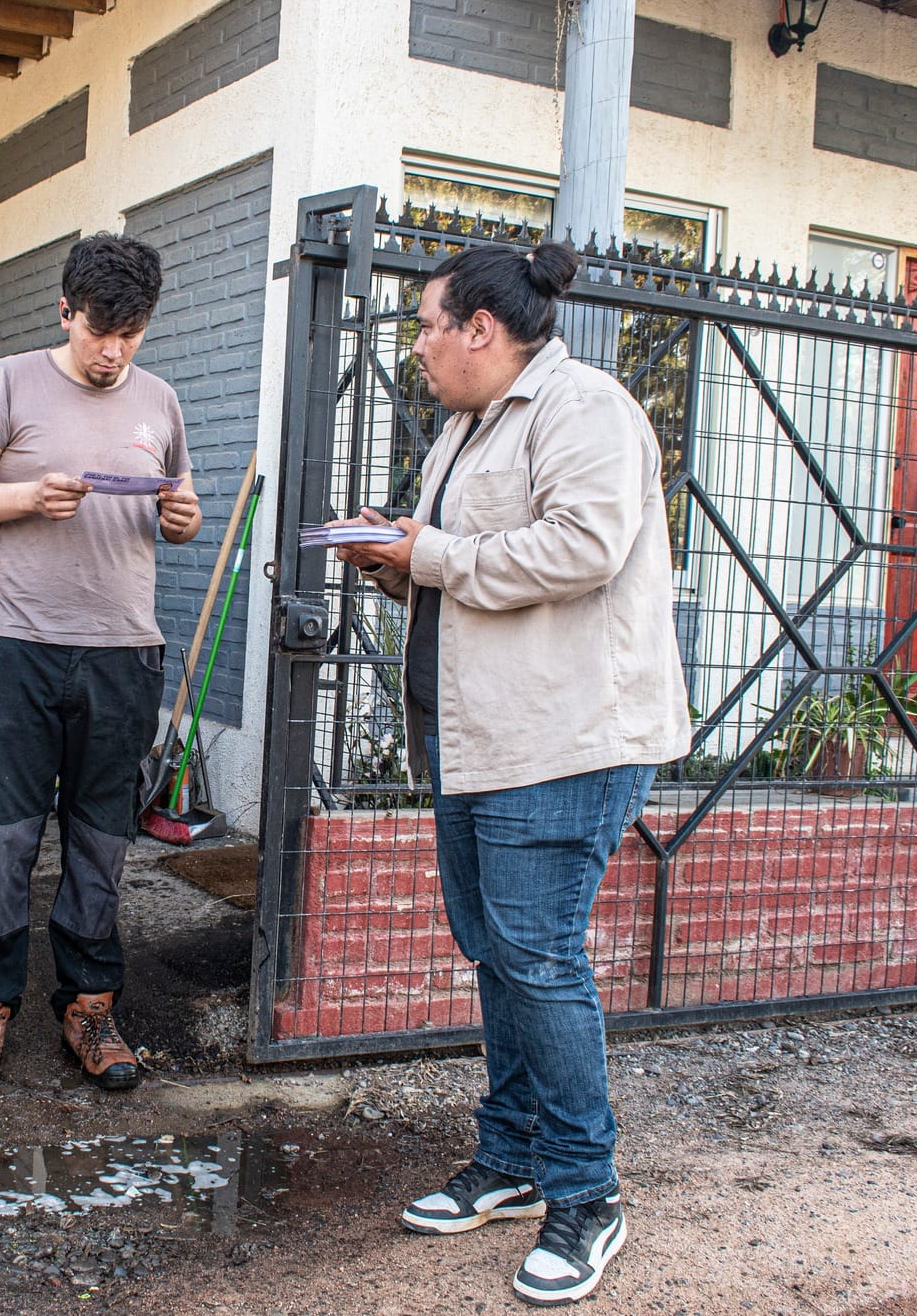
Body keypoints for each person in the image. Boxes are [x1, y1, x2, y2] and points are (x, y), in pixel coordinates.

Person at [336, 241, 690, 1306]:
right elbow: (466, 573)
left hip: (566, 737)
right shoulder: (464, 428)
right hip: (477, 734)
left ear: (478, 329)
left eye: (426, 328)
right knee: (495, 949)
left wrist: (429, 555)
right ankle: (515, 1152)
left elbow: (579, 548)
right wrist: (397, 563)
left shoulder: (583, 410)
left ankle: (587, 1193)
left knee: (536, 956)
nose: (420, 350)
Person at [0, 233, 202, 1098]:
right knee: (2, 843)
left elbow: (174, 508)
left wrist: (185, 517)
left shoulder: (160, 399)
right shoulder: (9, 381)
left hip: (123, 653)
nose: (112, 350)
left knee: (100, 844)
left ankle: (88, 1003)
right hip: (20, 648)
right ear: (65, 312)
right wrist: (24, 496)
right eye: (98, 331)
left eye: (131, 333)